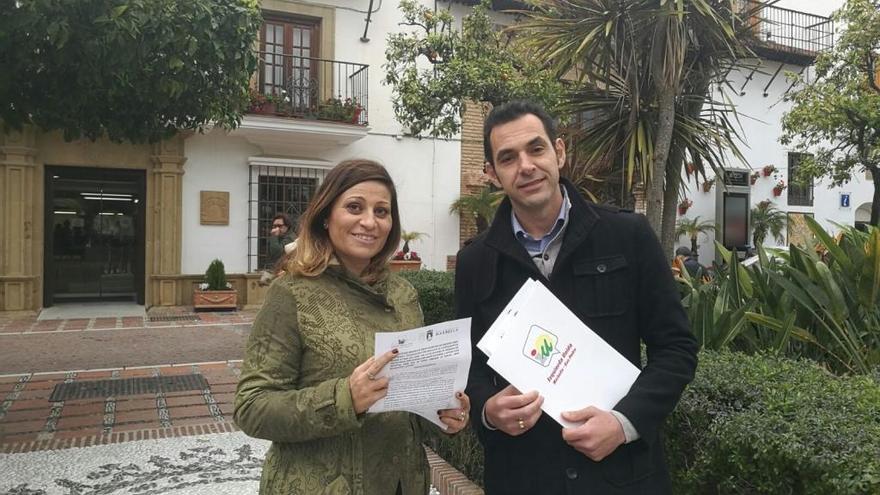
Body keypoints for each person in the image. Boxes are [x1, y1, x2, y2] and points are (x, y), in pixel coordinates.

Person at [455, 101, 698, 494]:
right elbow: (468, 366)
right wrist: (487, 409)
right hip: (522, 478)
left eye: (536, 149)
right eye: (508, 158)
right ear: (493, 174)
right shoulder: (473, 261)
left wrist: (624, 423)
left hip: (622, 477)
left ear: (560, 152)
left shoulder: (628, 236)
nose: (526, 166)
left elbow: (676, 348)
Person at [235, 159, 470, 494]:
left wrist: (443, 412)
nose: (369, 222)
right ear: (326, 216)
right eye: (355, 207)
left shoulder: (403, 294)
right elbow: (252, 406)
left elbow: (406, 405)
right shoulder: (292, 294)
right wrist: (344, 398)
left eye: (382, 211)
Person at [259, 213, 296, 286]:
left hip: (286, 276)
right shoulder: (279, 238)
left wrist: (273, 236)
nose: (276, 229)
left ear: (287, 226)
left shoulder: (290, 238)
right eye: (274, 226)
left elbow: (276, 252)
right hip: (278, 274)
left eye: (279, 226)